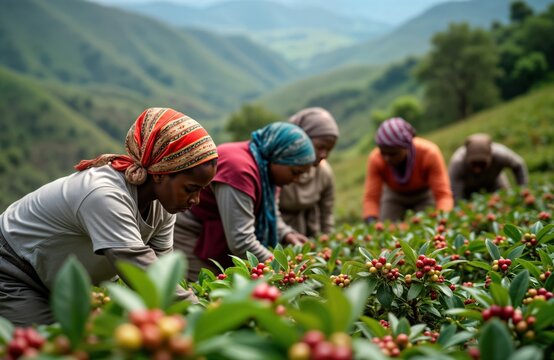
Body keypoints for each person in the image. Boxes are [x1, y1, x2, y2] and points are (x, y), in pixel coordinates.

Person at [0, 108, 218, 326]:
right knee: (54, 346)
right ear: (161, 174)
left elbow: (162, 270)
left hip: (59, 285)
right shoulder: (103, 194)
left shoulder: (162, 206)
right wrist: (205, 313)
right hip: (12, 272)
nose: (196, 200)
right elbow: (138, 267)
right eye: (190, 189)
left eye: (201, 190)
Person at [173, 122, 315, 281]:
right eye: (295, 172)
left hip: (216, 237)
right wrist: (284, 268)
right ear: (277, 156)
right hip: (192, 236)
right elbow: (241, 241)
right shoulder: (239, 170)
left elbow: (271, 212)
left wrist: (287, 233)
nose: (296, 180)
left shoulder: (266, 170)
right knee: (205, 292)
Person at [362, 117, 453, 222]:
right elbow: (371, 197)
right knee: (387, 226)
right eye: (383, 152)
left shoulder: (429, 154)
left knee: (426, 225)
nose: (387, 158)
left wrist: (443, 218)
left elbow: (443, 194)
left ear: (406, 147)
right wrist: (371, 221)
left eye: (393, 154)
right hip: (394, 195)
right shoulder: (376, 159)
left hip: (423, 195)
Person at [278, 107, 339, 237]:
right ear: (300, 138)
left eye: (329, 150)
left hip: (309, 237)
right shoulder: (279, 168)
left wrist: (327, 242)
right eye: (320, 147)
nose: (324, 155)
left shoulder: (324, 172)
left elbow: (326, 213)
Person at [448, 133, 528, 201]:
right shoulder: (457, 163)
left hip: (495, 182)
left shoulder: (500, 154)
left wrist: (522, 190)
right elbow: (455, 194)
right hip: (467, 189)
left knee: (506, 200)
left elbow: (518, 165)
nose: (477, 170)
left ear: (490, 155)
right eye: (474, 164)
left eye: (482, 164)